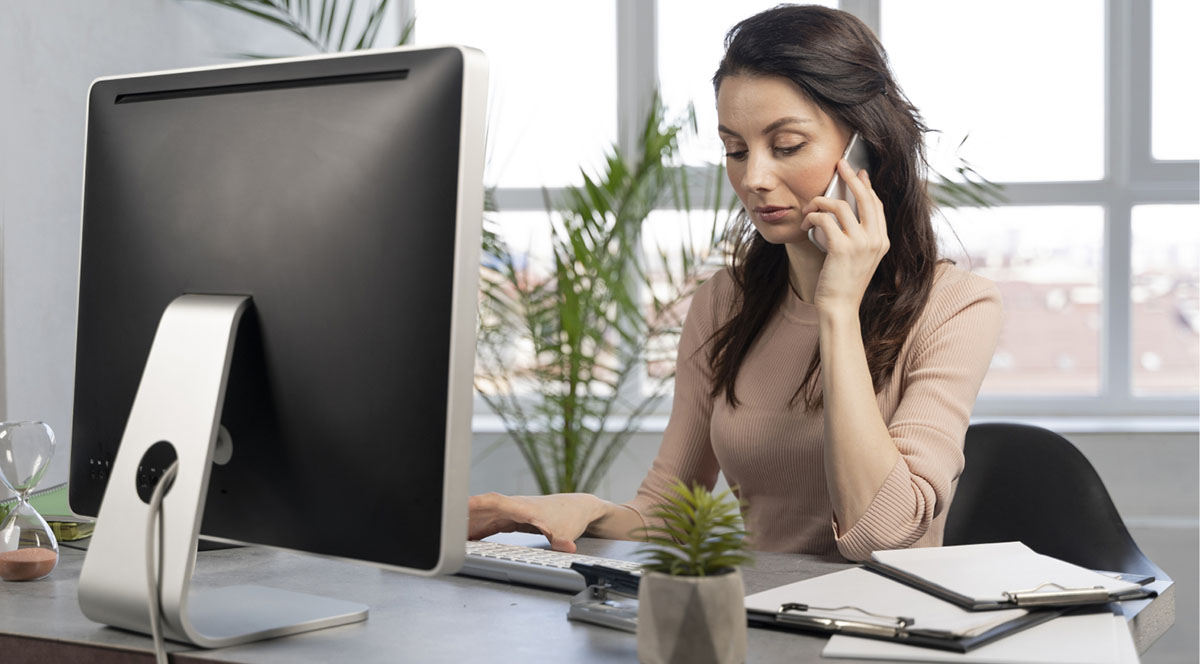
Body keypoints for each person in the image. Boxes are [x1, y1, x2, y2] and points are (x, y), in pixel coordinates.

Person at [469, 4, 1002, 562]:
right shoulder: (723, 303)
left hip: (882, 636)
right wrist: (587, 510)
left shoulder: (957, 306)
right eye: (735, 150)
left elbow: (881, 534)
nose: (754, 179)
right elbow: (670, 515)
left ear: (864, 148)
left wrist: (838, 310)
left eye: (788, 146)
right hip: (756, 625)